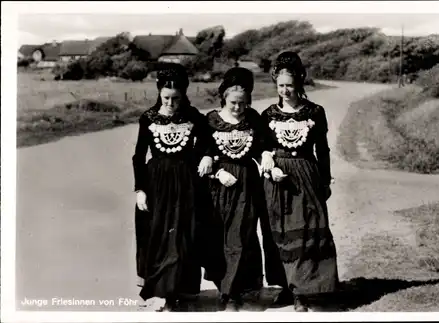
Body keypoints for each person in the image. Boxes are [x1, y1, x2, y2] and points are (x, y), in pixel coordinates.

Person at [259, 51, 340, 312]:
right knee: (279, 232)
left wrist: (325, 181)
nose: (285, 90)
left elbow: (323, 150)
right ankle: (287, 287)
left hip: (306, 174)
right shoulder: (268, 114)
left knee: (308, 230)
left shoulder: (315, 112)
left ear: (300, 83)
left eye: (290, 85)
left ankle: (305, 291)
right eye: (280, 85)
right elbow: (262, 147)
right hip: (277, 180)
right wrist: (267, 160)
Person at [132, 63, 214, 312]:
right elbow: (139, 156)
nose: (170, 103)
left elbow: (209, 143)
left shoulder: (194, 117)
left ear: (184, 95)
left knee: (180, 236)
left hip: (186, 183)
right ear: (158, 92)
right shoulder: (147, 118)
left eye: (176, 98)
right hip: (156, 183)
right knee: (158, 236)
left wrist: (207, 156)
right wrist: (140, 190)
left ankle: (173, 292)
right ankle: (159, 289)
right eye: (166, 97)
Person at [198, 67, 276, 311]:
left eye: (243, 103)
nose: (238, 108)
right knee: (217, 236)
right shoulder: (210, 120)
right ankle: (224, 287)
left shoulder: (253, 118)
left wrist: (265, 154)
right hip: (217, 186)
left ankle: (231, 295)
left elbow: (264, 144)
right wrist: (215, 168)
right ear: (223, 97)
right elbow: (201, 152)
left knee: (240, 237)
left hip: (246, 185)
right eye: (233, 103)